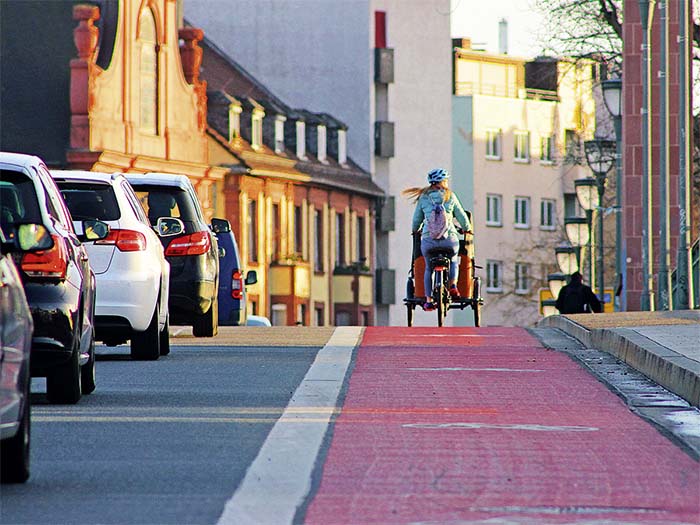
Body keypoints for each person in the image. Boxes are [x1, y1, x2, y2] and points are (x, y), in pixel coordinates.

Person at [403, 168, 471, 311]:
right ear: (443, 181)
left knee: (428, 268)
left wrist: (415, 230)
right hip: (449, 240)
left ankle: (428, 300)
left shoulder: (423, 198)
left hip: (429, 241)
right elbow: (461, 216)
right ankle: (453, 286)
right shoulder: (450, 196)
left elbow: (416, 220)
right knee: (453, 260)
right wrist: (467, 228)